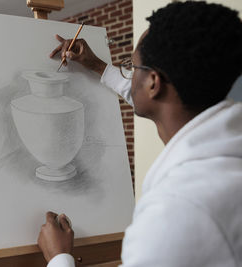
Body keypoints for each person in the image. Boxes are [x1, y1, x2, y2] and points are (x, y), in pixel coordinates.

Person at [37, 2, 242, 266]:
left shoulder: (176, 210)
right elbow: (152, 96)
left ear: (153, 84)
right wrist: (99, 66)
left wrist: (59, 258)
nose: (129, 76)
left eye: (132, 68)